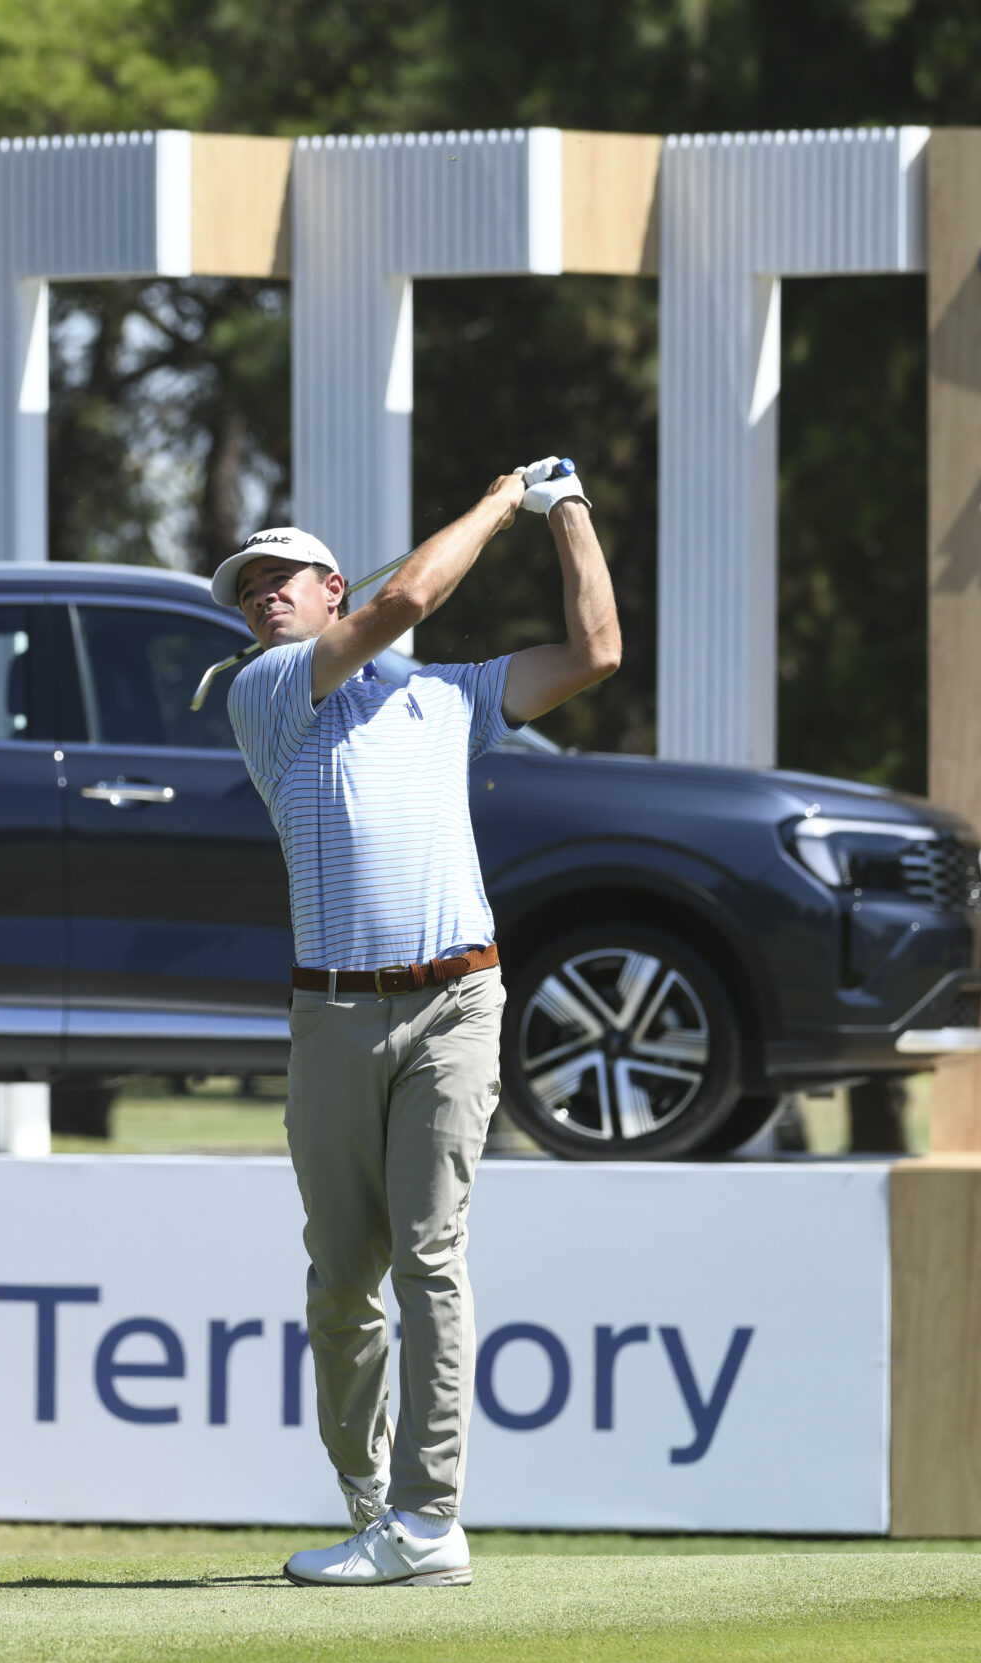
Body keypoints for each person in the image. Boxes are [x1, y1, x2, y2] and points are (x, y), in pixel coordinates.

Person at [218, 459, 620, 1588]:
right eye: (246, 590)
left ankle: (427, 1519)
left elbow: (595, 654)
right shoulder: (269, 694)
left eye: (279, 580)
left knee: (429, 1262)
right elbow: (406, 604)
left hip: (455, 1001)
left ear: (328, 585)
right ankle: (369, 1504)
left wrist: (568, 508)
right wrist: (502, 500)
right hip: (334, 1016)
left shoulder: (448, 698)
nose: (260, 599)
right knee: (342, 1279)